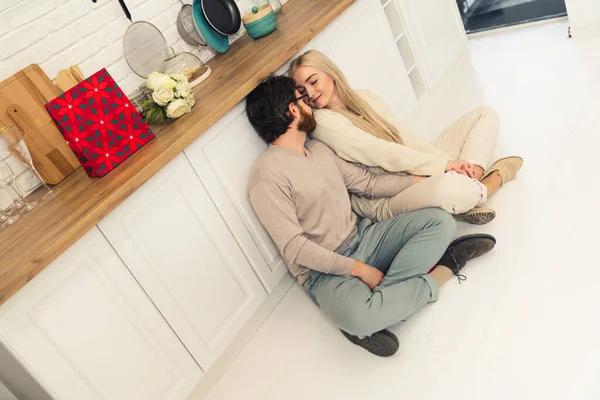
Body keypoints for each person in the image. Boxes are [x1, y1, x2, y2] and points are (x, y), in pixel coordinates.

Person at [245, 75, 496, 357]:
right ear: (292, 110)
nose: (310, 105)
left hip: (365, 237)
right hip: (325, 274)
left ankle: (385, 305)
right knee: (360, 318)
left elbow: (367, 184)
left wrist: (426, 177)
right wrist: (360, 270)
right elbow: (296, 248)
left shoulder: (317, 149)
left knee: (441, 221)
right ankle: (444, 269)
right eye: (303, 99)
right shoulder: (265, 176)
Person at [290, 50, 523, 225]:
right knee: (453, 188)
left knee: (485, 115)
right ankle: (493, 179)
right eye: (301, 91)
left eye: (313, 81)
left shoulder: (365, 97)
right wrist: (445, 167)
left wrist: (449, 164)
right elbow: (382, 153)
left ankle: (470, 189)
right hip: (387, 196)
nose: (310, 93)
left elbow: (404, 138)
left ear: (330, 73)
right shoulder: (323, 123)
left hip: (412, 167)